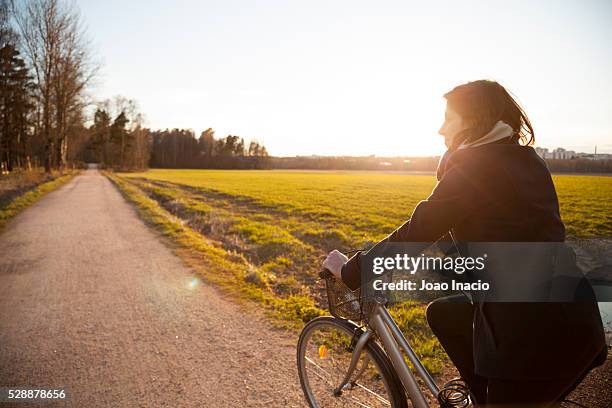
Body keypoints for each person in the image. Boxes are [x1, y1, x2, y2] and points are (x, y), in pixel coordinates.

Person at [322, 79, 607, 407]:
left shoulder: (477, 168)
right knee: (445, 314)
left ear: (473, 121)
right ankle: (482, 395)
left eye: (448, 118)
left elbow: (418, 231)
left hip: (535, 344)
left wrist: (352, 270)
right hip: (575, 319)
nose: (441, 129)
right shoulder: (525, 160)